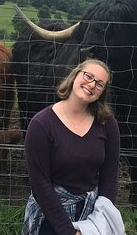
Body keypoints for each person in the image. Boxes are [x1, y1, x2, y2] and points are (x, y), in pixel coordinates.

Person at [22, 59, 122, 235]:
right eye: (88, 76)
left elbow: (110, 177)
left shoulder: (107, 124)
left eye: (99, 84)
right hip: (51, 215)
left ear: (102, 92)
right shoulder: (41, 124)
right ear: (75, 75)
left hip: (93, 217)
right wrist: (69, 231)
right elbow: (39, 184)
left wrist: (100, 219)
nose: (91, 85)